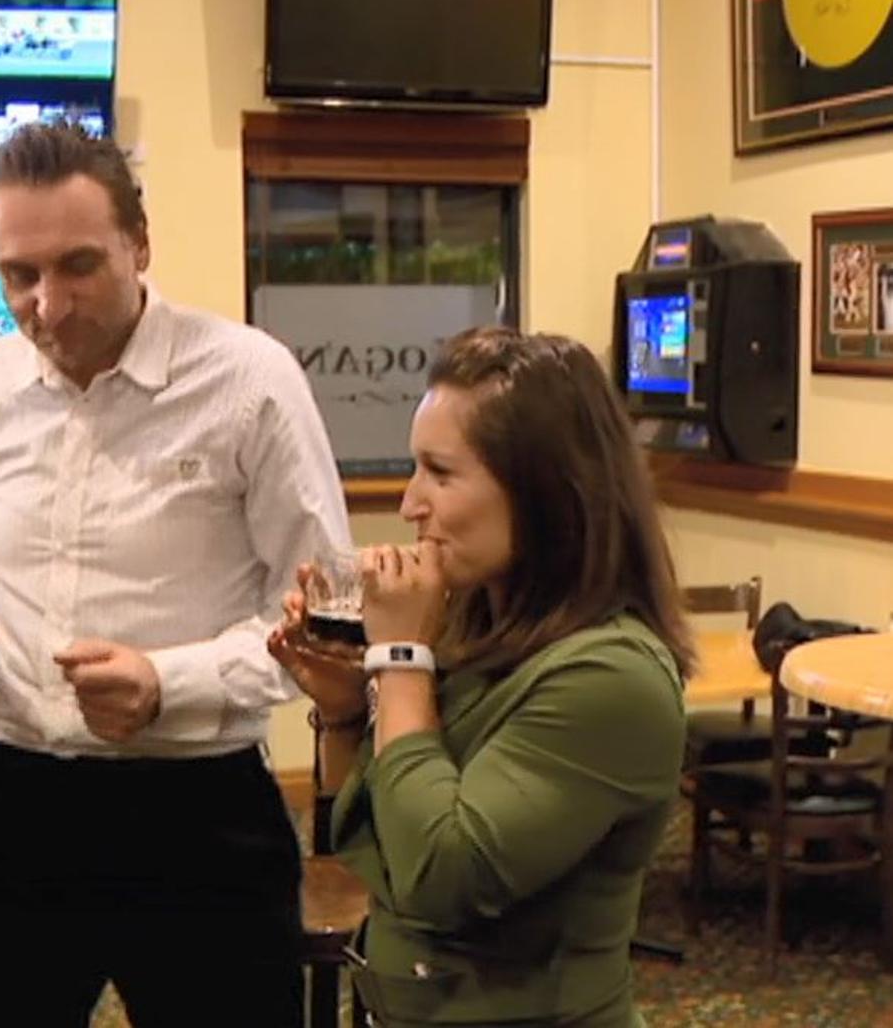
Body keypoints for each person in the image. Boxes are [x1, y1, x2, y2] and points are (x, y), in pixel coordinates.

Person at [0, 120, 351, 1026]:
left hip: (199, 817)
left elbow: (325, 616)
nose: (48, 305)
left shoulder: (249, 383)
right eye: (18, 275)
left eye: (78, 267)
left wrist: (168, 683)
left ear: (140, 245)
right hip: (15, 804)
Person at [268, 327, 692, 1028]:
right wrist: (346, 711)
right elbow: (375, 856)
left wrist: (398, 662)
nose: (410, 504)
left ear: (544, 490)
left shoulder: (610, 677)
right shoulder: (472, 623)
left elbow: (441, 879)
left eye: (439, 473)